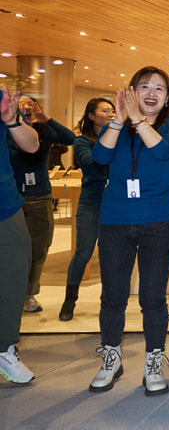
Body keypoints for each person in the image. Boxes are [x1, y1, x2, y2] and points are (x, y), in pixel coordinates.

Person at [88, 68, 169, 395]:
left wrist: (139, 121)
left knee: (152, 297)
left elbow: (162, 152)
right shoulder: (119, 127)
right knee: (113, 295)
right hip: (114, 219)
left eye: (159, 88)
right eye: (144, 87)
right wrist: (118, 120)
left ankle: (153, 361)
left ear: (167, 97)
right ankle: (111, 358)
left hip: (157, 222)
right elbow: (100, 156)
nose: (151, 93)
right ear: (131, 92)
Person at [9, 95, 76, 312]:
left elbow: (70, 139)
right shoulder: (7, 129)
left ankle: (29, 294)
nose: (27, 107)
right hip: (13, 198)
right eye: (23, 104)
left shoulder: (44, 130)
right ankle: (12, 294)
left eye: (31, 104)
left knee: (39, 249)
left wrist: (47, 119)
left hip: (40, 196)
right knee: (13, 250)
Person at [59, 97, 116, 321]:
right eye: (105, 110)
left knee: (110, 255)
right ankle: (69, 300)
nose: (110, 113)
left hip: (114, 204)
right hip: (91, 202)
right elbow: (93, 165)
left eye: (112, 110)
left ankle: (108, 303)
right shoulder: (83, 141)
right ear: (91, 116)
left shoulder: (119, 140)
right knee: (83, 252)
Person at [0, 86, 40, 384]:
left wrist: (12, 120)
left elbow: (32, 144)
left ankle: (4, 347)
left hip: (5, 204)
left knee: (14, 277)